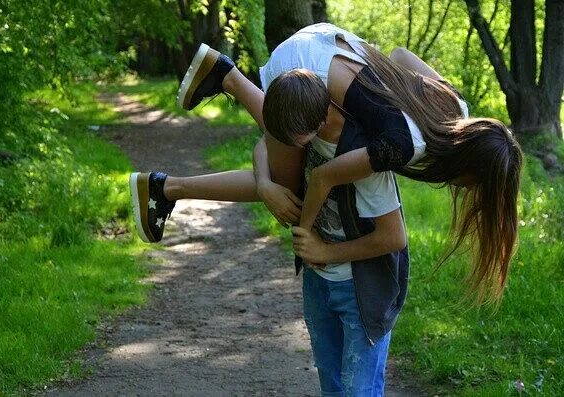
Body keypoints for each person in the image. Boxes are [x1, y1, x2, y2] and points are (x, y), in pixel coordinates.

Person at [128, 22, 522, 395]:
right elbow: (325, 178)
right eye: (476, 187)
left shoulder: (457, 107)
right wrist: (305, 231)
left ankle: (166, 188)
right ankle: (226, 75)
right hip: (310, 67)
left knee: (287, 179)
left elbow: (399, 56)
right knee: (288, 183)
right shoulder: (405, 145)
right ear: (468, 169)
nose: (467, 193)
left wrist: (364, 83)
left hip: (333, 46)